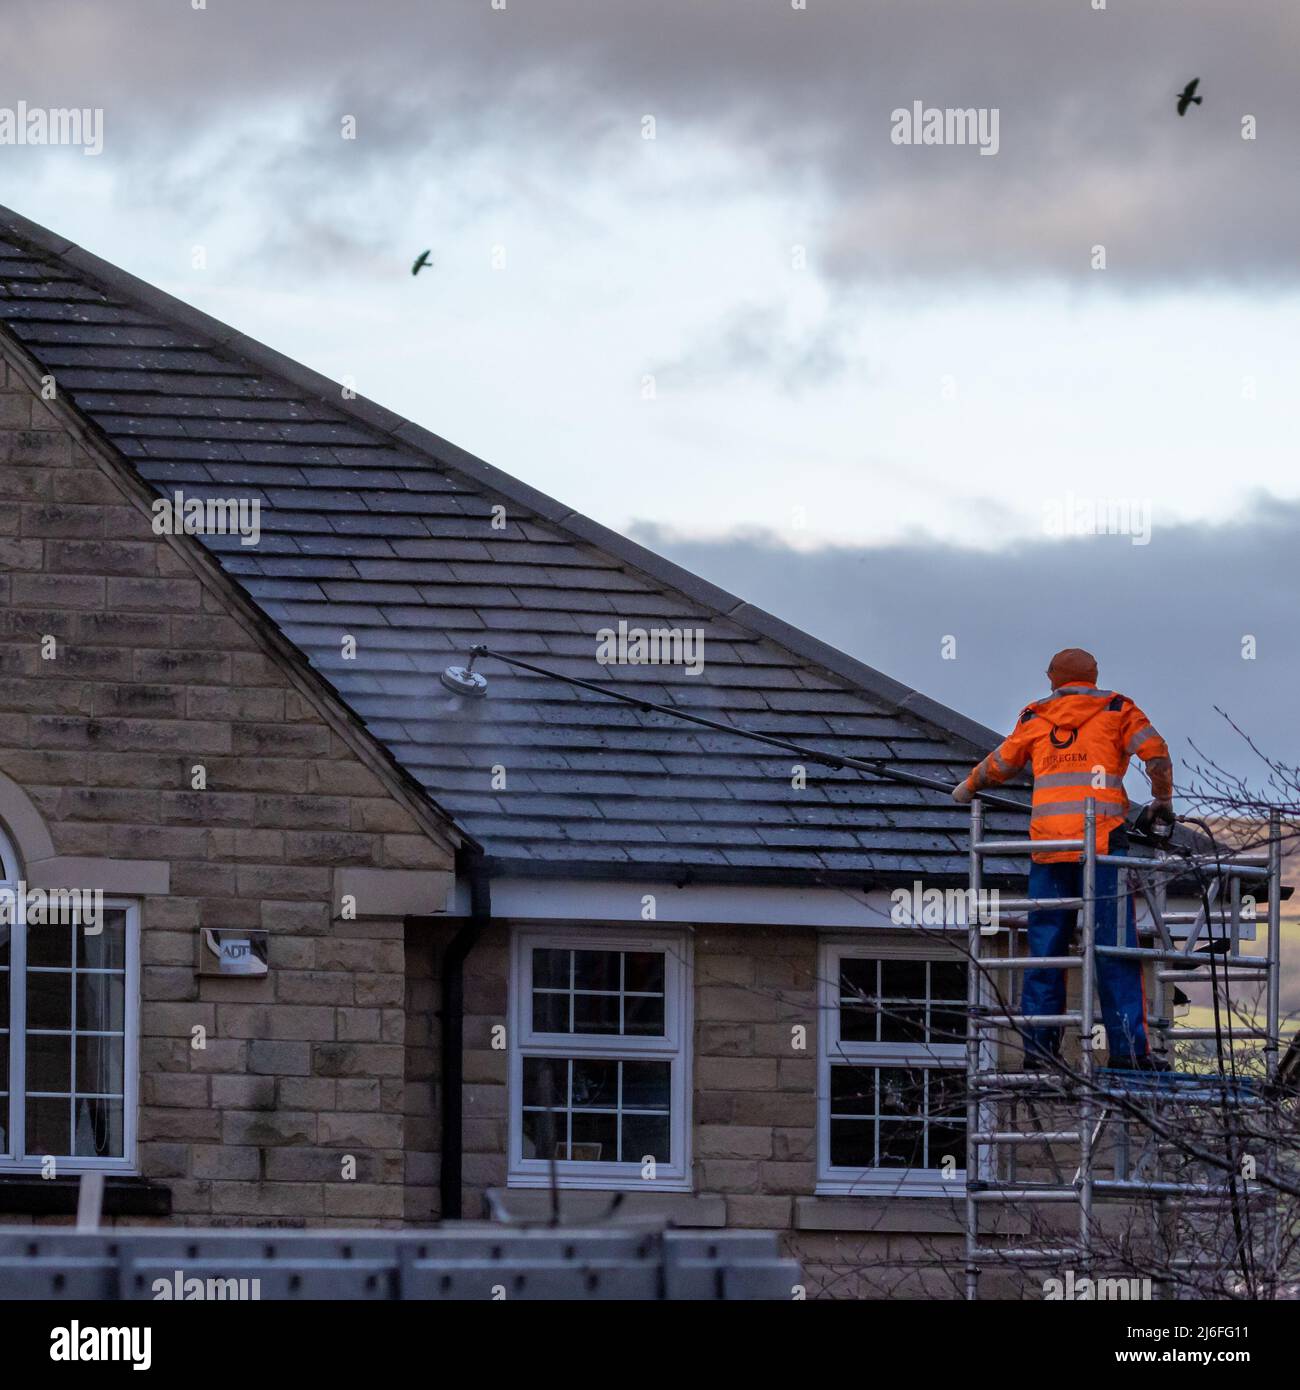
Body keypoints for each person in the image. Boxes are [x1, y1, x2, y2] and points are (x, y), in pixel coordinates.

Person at [952, 648, 1174, 1069]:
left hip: (1050, 850)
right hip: (1104, 849)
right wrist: (1162, 800)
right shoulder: (1117, 708)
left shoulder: (1035, 717)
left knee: (1046, 953)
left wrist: (967, 787)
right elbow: (1156, 753)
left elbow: (1001, 763)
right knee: (1115, 949)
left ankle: (1039, 1053)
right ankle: (1128, 1052)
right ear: (1094, 675)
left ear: (1052, 677)